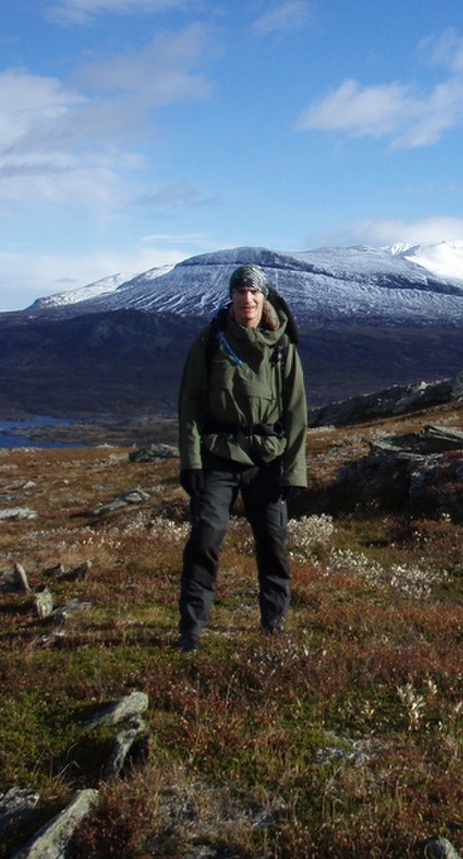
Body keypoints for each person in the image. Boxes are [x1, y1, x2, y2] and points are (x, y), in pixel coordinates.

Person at [175, 263, 307, 652]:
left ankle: (274, 624)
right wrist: (191, 462)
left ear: (263, 298)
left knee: (273, 541)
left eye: (254, 293)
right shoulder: (210, 340)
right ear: (230, 296)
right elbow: (191, 403)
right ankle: (191, 631)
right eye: (240, 292)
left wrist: (294, 471)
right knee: (205, 536)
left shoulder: (282, 347)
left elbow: (297, 411)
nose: (247, 299)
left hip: (268, 459)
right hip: (219, 455)